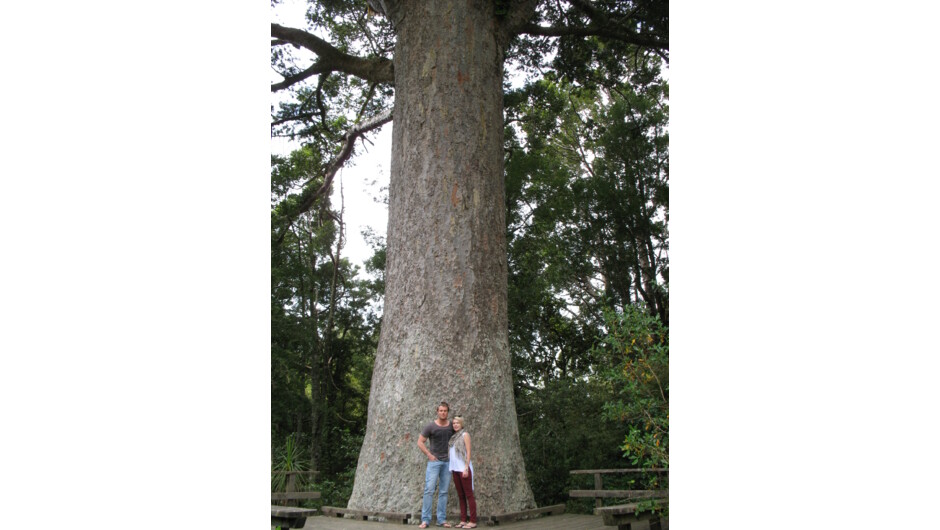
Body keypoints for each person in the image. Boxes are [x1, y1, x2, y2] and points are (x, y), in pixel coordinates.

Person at [417, 401, 455, 528]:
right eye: (441, 411)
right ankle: (425, 520)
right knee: (429, 490)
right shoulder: (431, 426)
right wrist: (429, 454)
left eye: (445, 411)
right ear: (437, 411)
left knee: (443, 492)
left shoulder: (451, 427)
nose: (443, 413)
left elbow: (459, 438)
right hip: (434, 462)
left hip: (447, 463)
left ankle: (441, 520)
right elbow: (420, 442)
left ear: (447, 412)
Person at [448, 416, 477, 528]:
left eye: (458, 423)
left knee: (469, 495)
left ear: (462, 424)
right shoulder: (453, 437)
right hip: (455, 469)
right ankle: (463, 520)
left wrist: (466, 467)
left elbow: (468, 452)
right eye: (454, 423)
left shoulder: (465, 435)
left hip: (463, 469)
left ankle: (473, 521)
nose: (455, 425)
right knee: (461, 496)